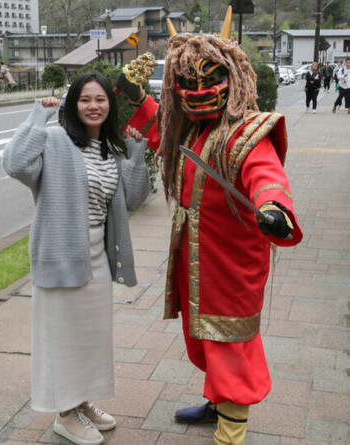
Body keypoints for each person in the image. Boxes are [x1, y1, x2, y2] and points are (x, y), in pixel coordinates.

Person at [116, 7, 303, 445]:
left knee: (231, 339)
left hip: (231, 259)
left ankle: (231, 433)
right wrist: (136, 96)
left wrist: (274, 208)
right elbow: (161, 135)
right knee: (204, 335)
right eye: (188, 82)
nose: (199, 90)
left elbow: (267, 175)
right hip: (195, 253)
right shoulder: (191, 131)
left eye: (210, 78)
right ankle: (218, 402)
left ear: (233, 77)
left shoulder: (248, 131)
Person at [2, 72, 150, 445]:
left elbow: (133, 200)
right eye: (85, 99)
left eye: (100, 99)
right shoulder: (53, 141)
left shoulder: (111, 150)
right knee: (61, 339)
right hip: (60, 256)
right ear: (72, 104)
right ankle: (64, 415)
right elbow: (14, 163)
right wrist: (38, 116)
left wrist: (135, 154)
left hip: (97, 258)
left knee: (90, 339)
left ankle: (82, 402)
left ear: (109, 105)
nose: (93, 106)